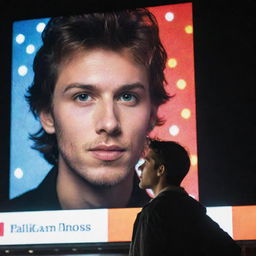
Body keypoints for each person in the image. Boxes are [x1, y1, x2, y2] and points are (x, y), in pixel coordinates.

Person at [0, 8, 171, 211]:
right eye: (83, 97)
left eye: (127, 97)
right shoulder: (11, 223)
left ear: (152, 114)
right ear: (47, 115)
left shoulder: (179, 234)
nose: (109, 123)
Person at [129, 139, 241, 256]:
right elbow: (232, 250)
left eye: (146, 162)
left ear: (160, 170)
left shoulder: (152, 214)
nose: (140, 167)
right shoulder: (193, 211)